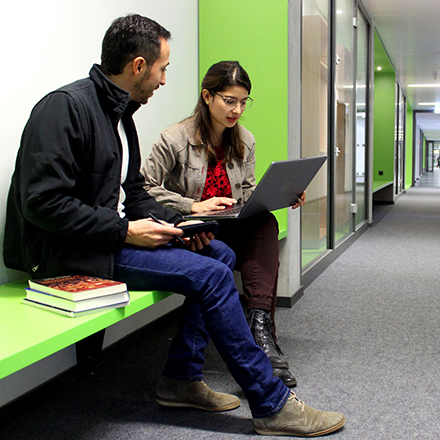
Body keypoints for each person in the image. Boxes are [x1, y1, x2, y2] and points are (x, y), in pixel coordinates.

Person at [3, 14, 345, 437]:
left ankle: (181, 379)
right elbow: (41, 204)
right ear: (140, 66)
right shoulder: (65, 108)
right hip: (64, 253)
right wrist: (125, 231)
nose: (165, 80)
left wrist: (185, 225)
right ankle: (271, 402)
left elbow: (138, 194)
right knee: (213, 275)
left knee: (217, 251)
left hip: (102, 238)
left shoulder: (120, 116)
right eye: (163, 68)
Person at [142, 60, 304, 387]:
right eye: (229, 100)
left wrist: (280, 194)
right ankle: (263, 342)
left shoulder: (244, 139)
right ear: (207, 96)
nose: (237, 110)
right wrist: (194, 205)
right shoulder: (175, 138)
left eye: (243, 102)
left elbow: (245, 191)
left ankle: (260, 330)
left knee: (265, 223)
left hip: (230, 222)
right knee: (240, 241)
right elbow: (144, 189)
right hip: (193, 226)